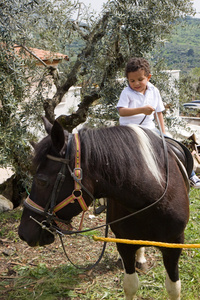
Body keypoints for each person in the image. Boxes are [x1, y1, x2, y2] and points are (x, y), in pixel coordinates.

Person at [117, 57, 200, 188]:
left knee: (176, 147)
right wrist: (142, 110)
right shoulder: (126, 92)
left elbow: (159, 113)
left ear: (148, 77)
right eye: (132, 81)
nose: (136, 83)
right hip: (129, 130)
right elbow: (121, 111)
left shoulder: (154, 91)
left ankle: (191, 176)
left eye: (140, 79)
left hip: (149, 129)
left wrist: (163, 132)